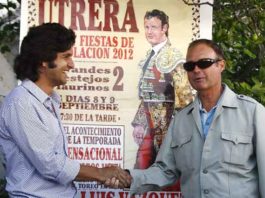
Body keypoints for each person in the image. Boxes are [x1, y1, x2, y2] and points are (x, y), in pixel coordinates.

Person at [0, 23, 131, 197]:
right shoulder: (21, 102)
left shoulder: (49, 101)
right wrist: (101, 173)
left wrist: (107, 173)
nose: (72, 65)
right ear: (44, 60)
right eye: (66, 56)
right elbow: (50, 164)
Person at [126, 39, 265, 197]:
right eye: (190, 66)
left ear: (221, 65)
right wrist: (127, 177)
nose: (196, 70)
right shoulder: (180, 120)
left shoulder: (252, 112)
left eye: (204, 63)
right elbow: (165, 171)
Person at [132, 9, 194, 171]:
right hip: (150, 125)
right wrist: (139, 124)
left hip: (168, 126)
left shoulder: (173, 56)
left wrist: (178, 131)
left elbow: (185, 98)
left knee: (168, 171)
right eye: (146, 27)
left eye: (153, 27)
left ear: (164, 28)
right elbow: (147, 95)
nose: (149, 32)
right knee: (142, 169)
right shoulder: (150, 56)